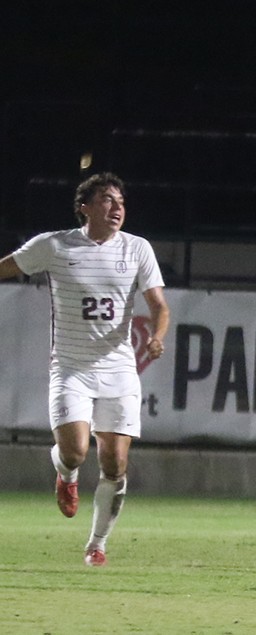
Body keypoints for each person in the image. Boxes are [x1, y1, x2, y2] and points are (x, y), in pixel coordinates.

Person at [0, 173, 169, 567]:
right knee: (76, 451)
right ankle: (66, 472)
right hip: (71, 367)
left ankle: (97, 545)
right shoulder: (55, 245)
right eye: (107, 200)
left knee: (114, 462)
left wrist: (158, 336)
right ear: (85, 207)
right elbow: (7, 267)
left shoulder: (137, 249)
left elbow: (159, 306)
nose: (117, 208)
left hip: (120, 369)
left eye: (121, 201)